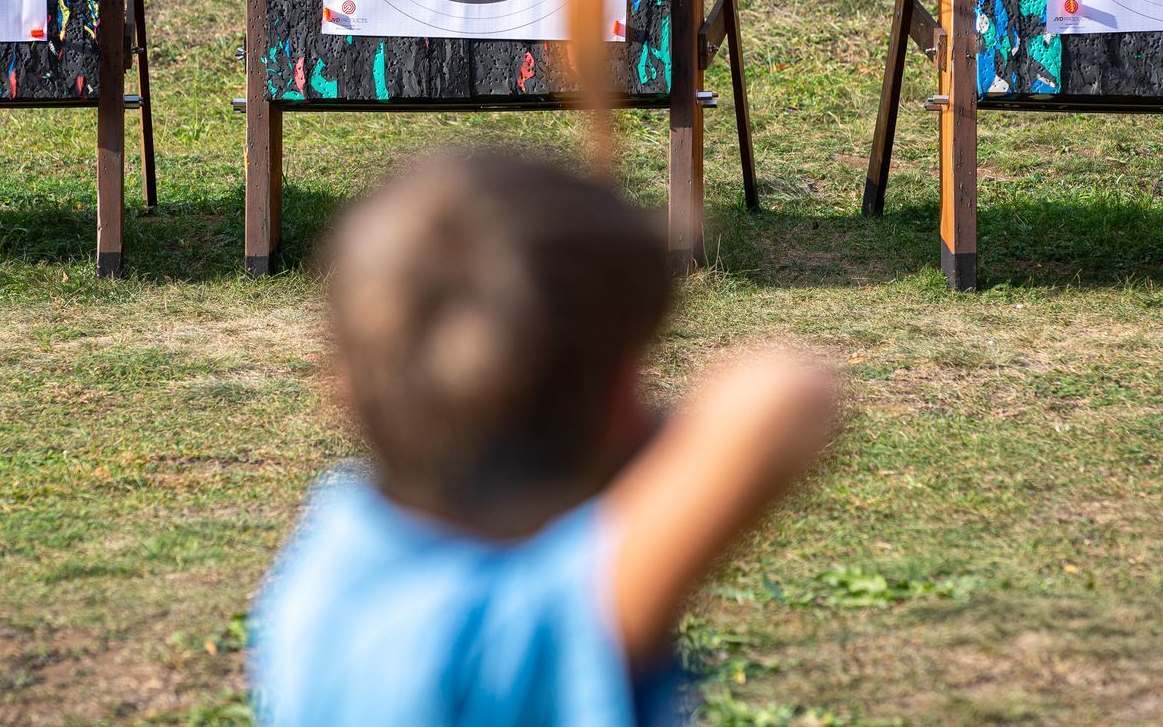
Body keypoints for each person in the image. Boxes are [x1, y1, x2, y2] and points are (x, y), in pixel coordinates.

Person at [250, 151, 846, 725]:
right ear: (616, 405)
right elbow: (782, 397)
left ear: (345, 385)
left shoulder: (338, 561)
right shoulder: (505, 635)